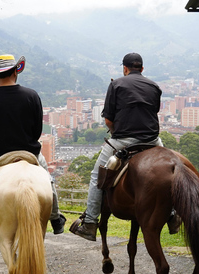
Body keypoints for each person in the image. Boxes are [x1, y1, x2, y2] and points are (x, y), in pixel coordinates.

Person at [70, 52, 178, 241]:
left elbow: (108, 119)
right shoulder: (154, 86)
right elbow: (153, 111)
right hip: (152, 140)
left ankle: (90, 223)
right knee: (173, 169)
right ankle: (173, 215)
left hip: (124, 140)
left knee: (97, 174)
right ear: (142, 69)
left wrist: (115, 132)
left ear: (125, 69)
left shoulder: (116, 84)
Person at [0, 54, 65, 238]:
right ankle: (55, 219)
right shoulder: (31, 95)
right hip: (30, 152)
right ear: (15, 72)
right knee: (48, 183)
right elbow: (37, 130)